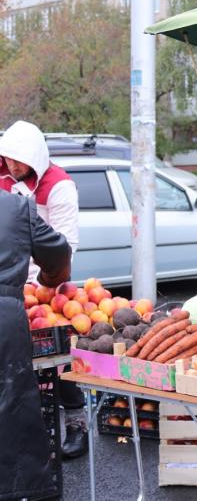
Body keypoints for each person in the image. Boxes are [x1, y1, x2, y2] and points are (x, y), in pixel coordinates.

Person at [0, 120, 88, 459]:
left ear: (36, 158)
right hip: (10, 282)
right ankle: (29, 427)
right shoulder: (4, 178)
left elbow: (66, 243)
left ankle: (76, 422)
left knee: (59, 354)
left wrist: (40, 284)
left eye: (18, 161)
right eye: (7, 159)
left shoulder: (59, 185)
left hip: (48, 283)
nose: (12, 166)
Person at [0, 190, 73, 500]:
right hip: (4, 318)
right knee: (11, 402)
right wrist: (49, 277)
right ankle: (19, 488)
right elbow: (58, 253)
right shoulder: (15, 207)